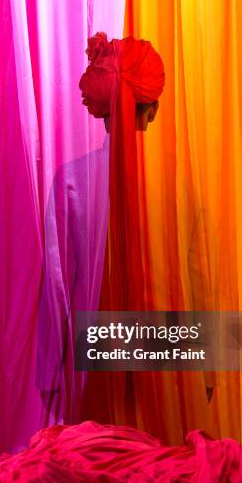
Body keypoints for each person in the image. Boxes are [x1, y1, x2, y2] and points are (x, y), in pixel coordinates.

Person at [36, 32, 165, 423]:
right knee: (161, 472)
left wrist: (49, 370)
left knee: (98, 469)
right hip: (166, 349)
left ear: (102, 108)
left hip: (93, 349)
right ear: (154, 109)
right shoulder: (180, 182)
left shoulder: (73, 179)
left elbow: (58, 283)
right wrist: (206, 375)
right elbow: (198, 279)